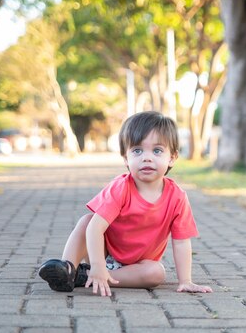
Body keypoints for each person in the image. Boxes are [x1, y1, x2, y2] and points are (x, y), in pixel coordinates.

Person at [38, 111, 212, 296]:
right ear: (125, 158)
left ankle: (87, 276)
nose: (147, 157)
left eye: (157, 151)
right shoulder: (121, 188)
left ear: (172, 157)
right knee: (88, 221)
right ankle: (68, 270)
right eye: (137, 150)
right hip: (104, 252)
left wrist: (185, 280)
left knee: (156, 273)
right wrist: (98, 264)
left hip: (138, 266)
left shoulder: (177, 197)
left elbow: (181, 242)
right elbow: (95, 230)